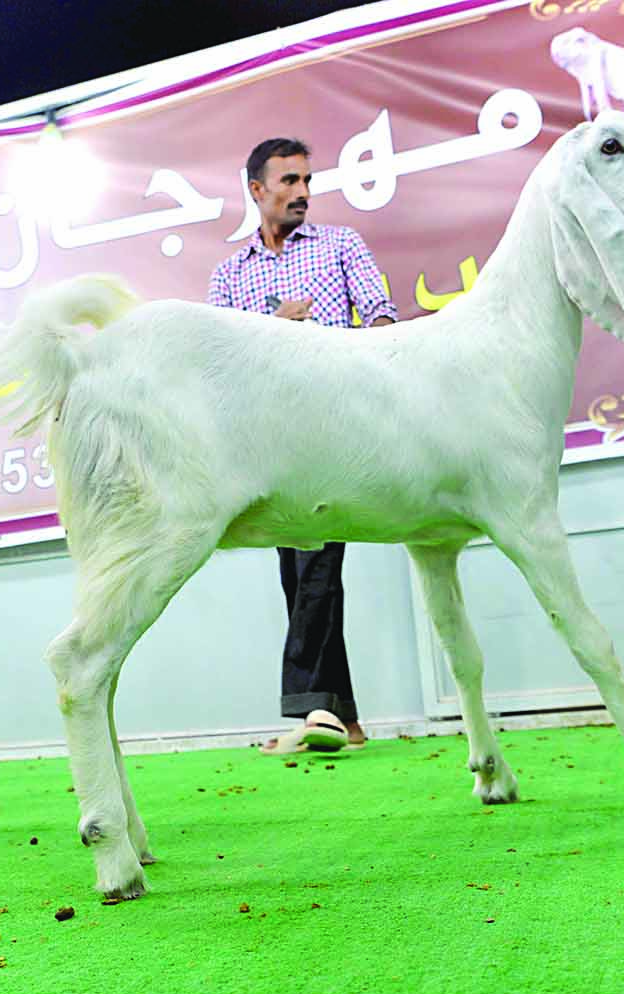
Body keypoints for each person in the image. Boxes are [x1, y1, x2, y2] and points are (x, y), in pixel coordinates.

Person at [207, 137, 399, 754]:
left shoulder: (341, 246)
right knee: (301, 574)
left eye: (307, 180)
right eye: (287, 181)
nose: (302, 192)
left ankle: (312, 708)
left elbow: (382, 321)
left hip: (335, 426)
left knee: (315, 564)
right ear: (256, 190)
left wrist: (316, 339)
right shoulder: (229, 274)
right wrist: (270, 334)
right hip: (268, 443)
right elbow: (217, 368)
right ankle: (346, 715)